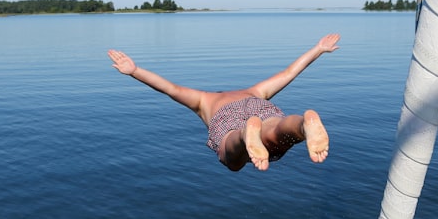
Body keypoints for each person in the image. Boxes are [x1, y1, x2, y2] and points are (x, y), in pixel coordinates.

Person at [108, 33, 340, 171]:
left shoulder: (204, 100)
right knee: (278, 130)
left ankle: (244, 134)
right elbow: (289, 73)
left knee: (231, 157)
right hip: (259, 108)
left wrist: (135, 71)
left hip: (227, 118)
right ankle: (302, 124)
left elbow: (170, 89)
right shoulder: (254, 91)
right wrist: (318, 49)